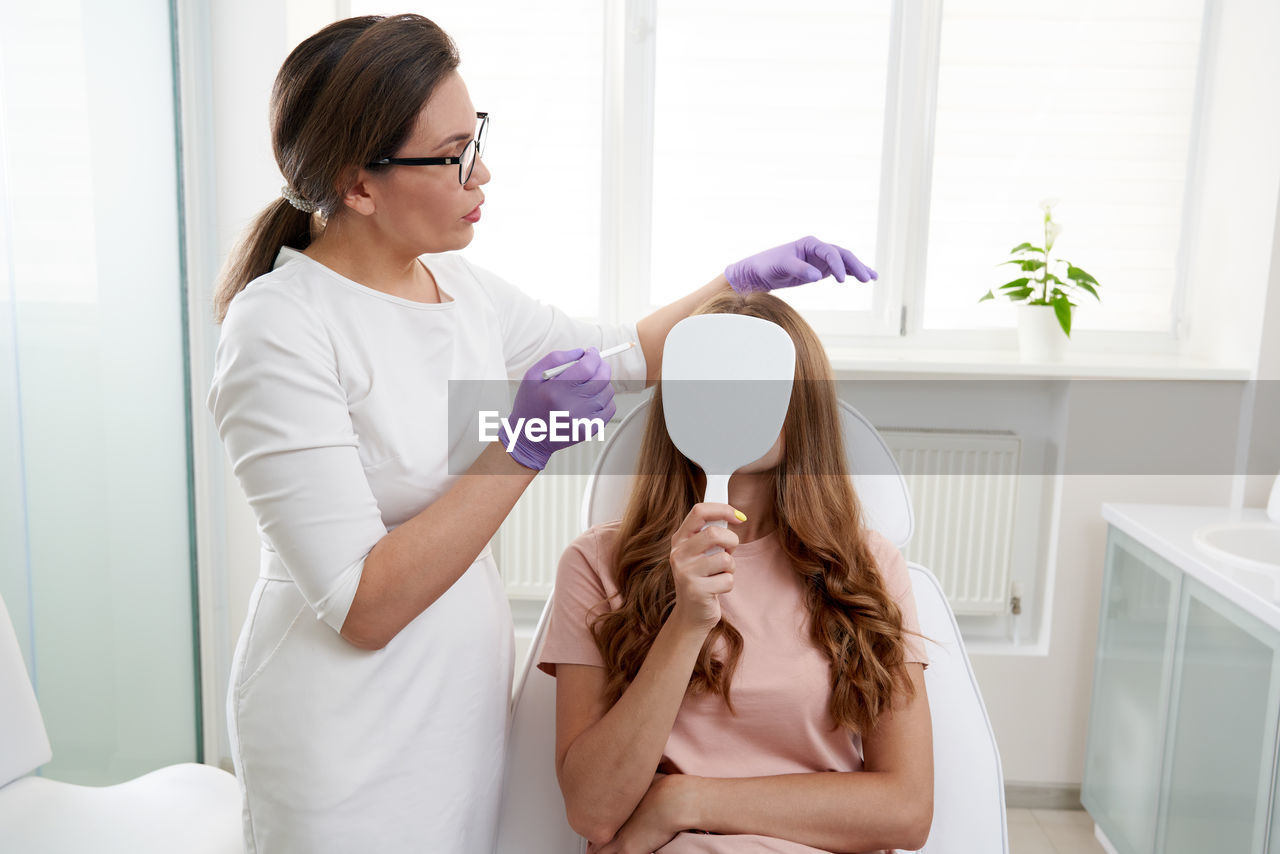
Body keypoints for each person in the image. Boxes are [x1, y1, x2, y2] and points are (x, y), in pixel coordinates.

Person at [205, 14, 876, 854]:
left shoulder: (456, 287)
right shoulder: (281, 328)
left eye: (474, 136)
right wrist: (523, 447)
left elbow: (619, 357)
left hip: (453, 720)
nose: (482, 170)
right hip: (341, 736)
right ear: (360, 185)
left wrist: (734, 285)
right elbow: (361, 605)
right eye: (452, 155)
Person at [539, 291, 932, 854]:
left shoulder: (867, 568)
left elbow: (907, 812)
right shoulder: (597, 565)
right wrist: (686, 624)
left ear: (803, 405)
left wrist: (686, 801)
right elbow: (592, 811)